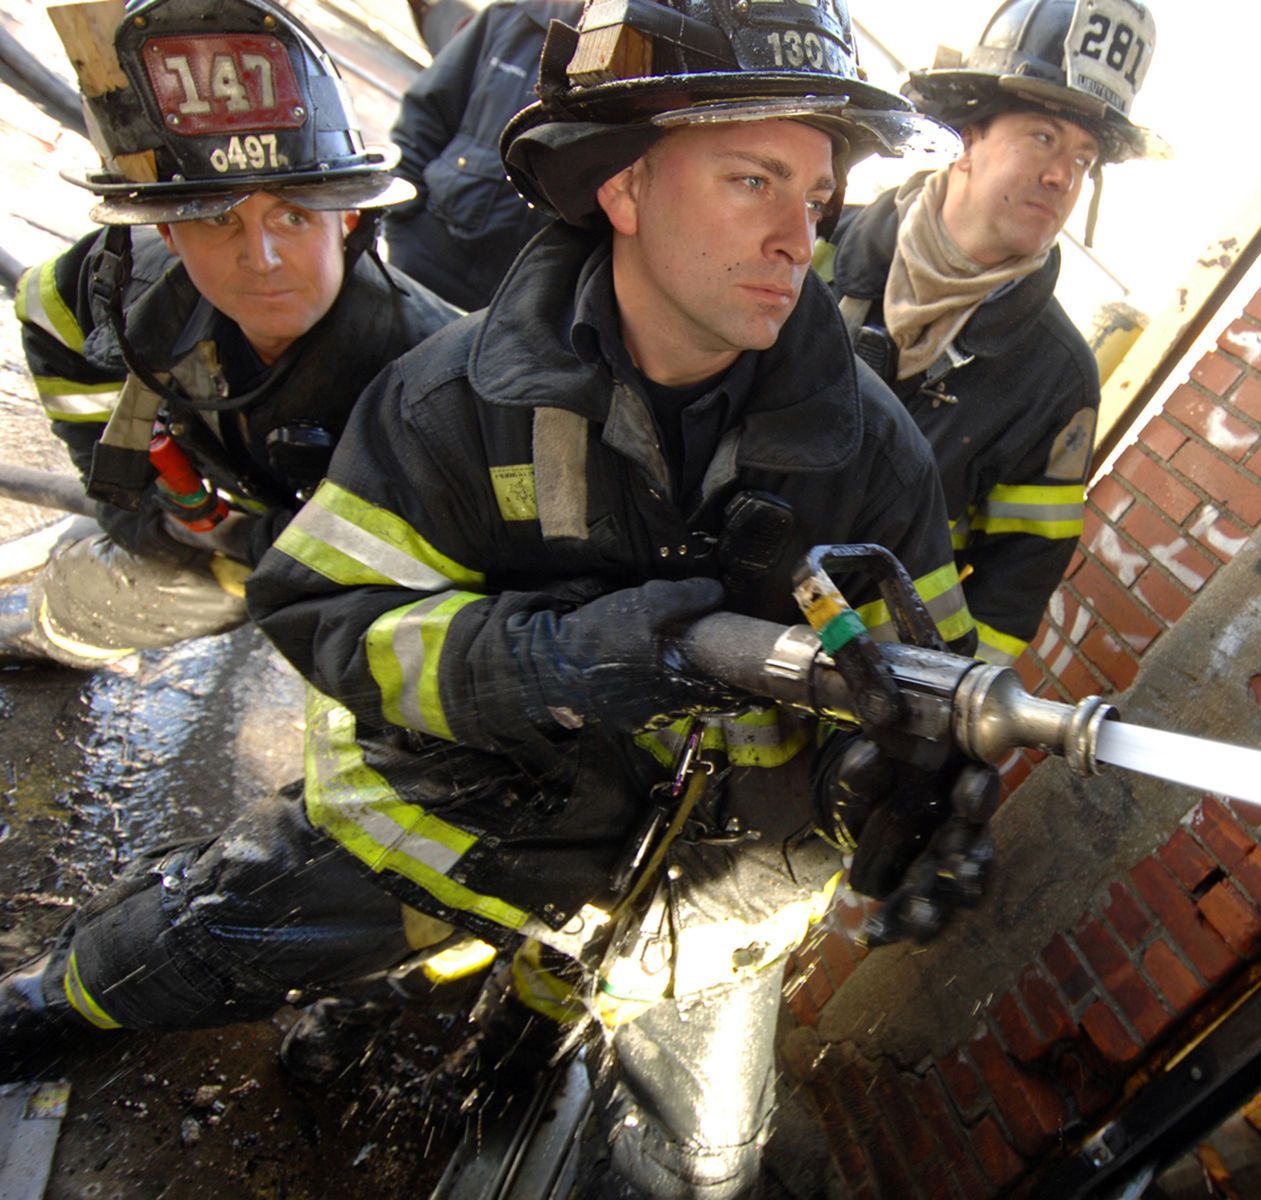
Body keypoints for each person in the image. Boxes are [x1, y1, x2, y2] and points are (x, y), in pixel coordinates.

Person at [0, 0, 990, 1194]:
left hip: (710, 895)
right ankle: (48, 1002)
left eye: (815, 193)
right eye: (752, 180)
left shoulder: (872, 453)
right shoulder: (449, 399)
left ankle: (523, 1042)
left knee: (706, 1168)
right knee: (193, 946)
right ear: (623, 186)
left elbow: (917, 679)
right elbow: (329, 616)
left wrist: (889, 795)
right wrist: (560, 663)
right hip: (461, 819)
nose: (801, 236)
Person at [4, 0, 459, 670]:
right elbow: (46, 315)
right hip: (214, 508)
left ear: (350, 221)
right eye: (218, 221)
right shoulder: (117, 285)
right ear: (166, 233)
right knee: (87, 595)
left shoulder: (430, 376)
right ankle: (54, 638)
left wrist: (237, 550)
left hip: (327, 568)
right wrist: (134, 504)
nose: (262, 257)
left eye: (294, 216)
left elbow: (417, 574)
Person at [819, 0, 1167, 667]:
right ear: (966, 137)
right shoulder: (817, 245)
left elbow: (1013, 594)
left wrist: (933, 722)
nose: (1063, 175)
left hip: (836, 696)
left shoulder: (1057, 381)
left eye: (1084, 159)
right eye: (1042, 136)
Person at [384, 0, 578, 310]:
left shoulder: (640, 59)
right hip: (424, 259)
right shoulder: (510, 20)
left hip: (514, 307)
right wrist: (400, 222)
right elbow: (425, 118)